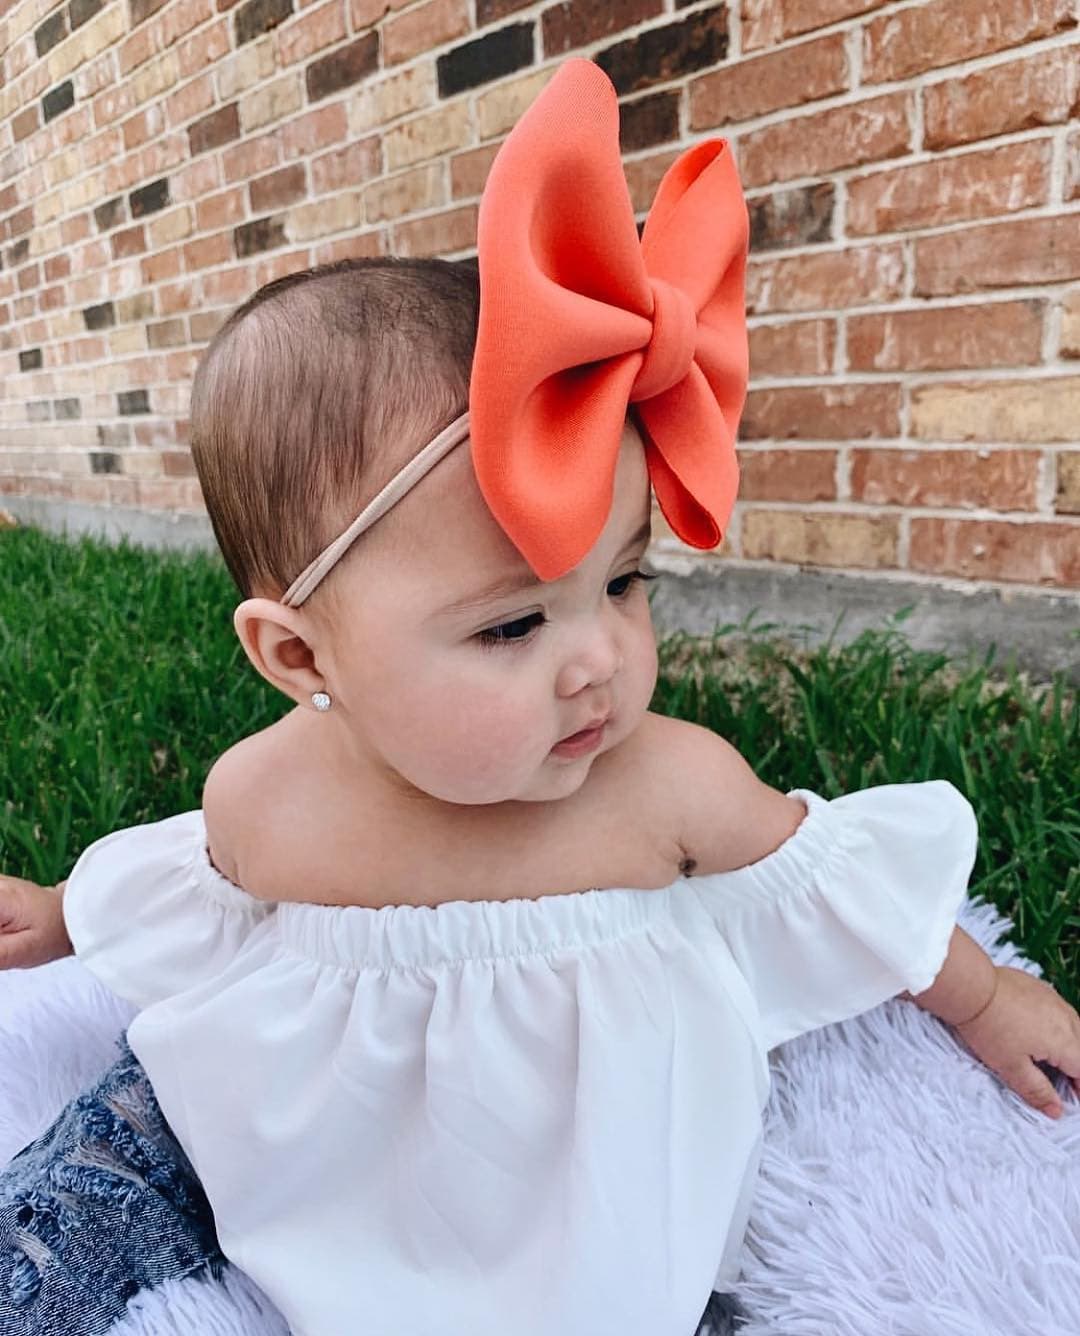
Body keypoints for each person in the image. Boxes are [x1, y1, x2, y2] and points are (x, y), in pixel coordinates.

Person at [2, 57, 1079, 1336]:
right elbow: (183, 874)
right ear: (300, 660)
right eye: (513, 621)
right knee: (95, 1175)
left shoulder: (669, 785)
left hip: (573, 1192)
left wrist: (983, 992)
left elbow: (840, 889)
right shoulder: (266, 794)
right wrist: (64, 915)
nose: (601, 661)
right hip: (300, 1147)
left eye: (622, 582)